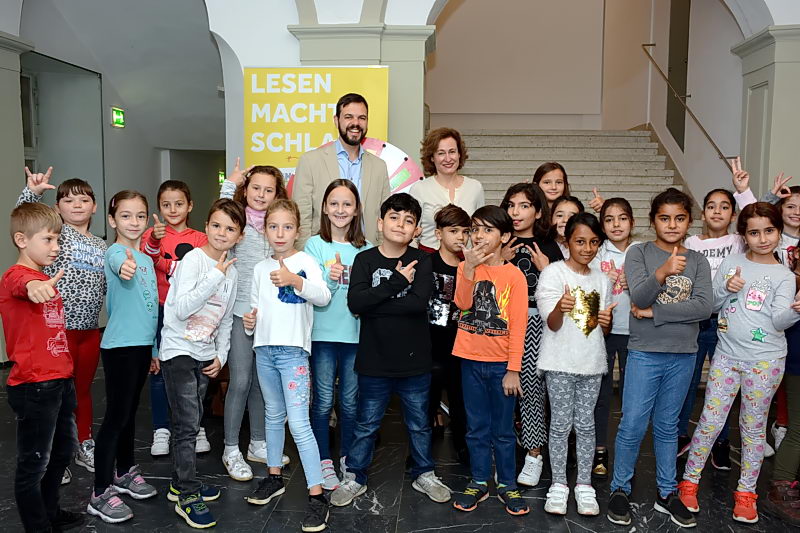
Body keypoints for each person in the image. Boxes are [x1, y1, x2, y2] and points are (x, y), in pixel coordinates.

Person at [677, 202, 800, 524]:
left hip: (765, 362)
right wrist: (725, 289)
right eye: (755, 233)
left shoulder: (784, 276)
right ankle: (689, 482)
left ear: (778, 232)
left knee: (753, 428)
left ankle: (746, 493)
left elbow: (779, 321)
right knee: (710, 421)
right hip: (727, 357)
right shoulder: (732, 263)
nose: (763, 239)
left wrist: (795, 311)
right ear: (744, 235)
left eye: (769, 231)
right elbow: (711, 305)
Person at [330, 193, 451, 508]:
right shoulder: (365, 260)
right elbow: (356, 303)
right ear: (380, 223)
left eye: (408, 220)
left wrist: (375, 302)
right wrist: (396, 282)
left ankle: (424, 473)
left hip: (415, 361)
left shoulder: (423, 260)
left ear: (416, 230)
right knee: (366, 424)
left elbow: (417, 304)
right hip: (375, 360)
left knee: (419, 424)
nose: (400, 224)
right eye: (394, 218)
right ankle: (355, 476)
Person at [606, 187, 712, 529]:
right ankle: (620, 488)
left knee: (667, 426)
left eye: (679, 218)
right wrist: (663, 272)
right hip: (645, 353)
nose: (672, 224)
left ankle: (667, 492)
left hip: (683, 354)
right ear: (653, 221)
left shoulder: (698, 261)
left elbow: (703, 307)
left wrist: (655, 313)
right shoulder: (639, 252)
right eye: (664, 218)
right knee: (633, 423)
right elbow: (638, 295)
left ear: (689, 222)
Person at [242, 199, 332, 533]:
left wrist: (295, 280)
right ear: (265, 230)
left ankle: (317, 495)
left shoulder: (305, 261)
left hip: (293, 354)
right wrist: (250, 323)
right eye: (273, 226)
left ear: (297, 230)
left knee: (299, 424)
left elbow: (323, 296)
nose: (280, 233)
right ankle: (273, 477)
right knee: (272, 416)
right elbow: (255, 308)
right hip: (264, 351)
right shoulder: (259, 268)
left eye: (287, 227)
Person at [159, 199, 244, 528]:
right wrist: (213, 276)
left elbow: (225, 320)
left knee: (192, 422)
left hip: (204, 354)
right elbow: (181, 309)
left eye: (230, 228)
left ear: (239, 235)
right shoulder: (193, 260)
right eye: (217, 225)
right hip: (178, 350)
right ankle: (187, 493)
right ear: (206, 226)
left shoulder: (232, 272)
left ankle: (180, 481)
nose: (222, 233)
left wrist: (220, 355)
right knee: (186, 425)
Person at [1, 202, 85, 533]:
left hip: (60, 380)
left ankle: (50, 512)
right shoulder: (17, 276)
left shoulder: (42, 277)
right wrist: (34, 287)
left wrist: (41, 284)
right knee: (33, 464)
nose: (56, 246)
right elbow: (22, 285)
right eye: (48, 239)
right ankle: (38, 527)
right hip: (34, 386)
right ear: (22, 240)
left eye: (58, 239)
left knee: (62, 452)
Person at [17, 167, 106, 478]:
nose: (77, 205)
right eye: (68, 200)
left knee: (82, 391)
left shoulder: (102, 246)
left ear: (95, 206)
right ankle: (54, 456)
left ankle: (83, 444)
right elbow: (25, 217)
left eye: (84, 200)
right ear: (57, 208)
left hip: (89, 331)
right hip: (58, 331)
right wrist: (32, 192)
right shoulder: (58, 235)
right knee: (54, 395)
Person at [451, 205, 529, 516]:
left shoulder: (514, 276)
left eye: (487, 229)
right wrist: (469, 269)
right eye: (475, 229)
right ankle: (480, 480)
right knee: (476, 427)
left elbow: (519, 325)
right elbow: (462, 303)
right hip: (469, 360)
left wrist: (513, 369)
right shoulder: (465, 266)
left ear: (505, 236)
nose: (479, 235)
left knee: (503, 430)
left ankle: (507, 483)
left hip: (501, 366)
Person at [88, 191, 160, 524]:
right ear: (112, 220)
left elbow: (150, 308)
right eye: (126, 216)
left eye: (140, 216)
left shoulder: (146, 259)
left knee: (130, 413)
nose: (134, 222)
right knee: (116, 417)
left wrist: (154, 349)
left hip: (142, 346)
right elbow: (119, 263)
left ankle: (125, 471)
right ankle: (100, 491)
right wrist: (124, 266)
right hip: (120, 347)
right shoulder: (116, 253)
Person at [537, 212, 614, 516]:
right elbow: (552, 324)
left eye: (594, 242)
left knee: (585, 425)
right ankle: (558, 484)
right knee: (559, 425)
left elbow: (601, 331)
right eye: (580, 241)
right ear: (567, 241)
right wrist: (560, 306)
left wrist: (606, 323)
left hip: (591, 364)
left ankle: (584, 484)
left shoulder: (602, 280)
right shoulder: (553, 273)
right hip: (559, 363)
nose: (587, 248)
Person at [219, 161, 289, 480]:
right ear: (245, 190)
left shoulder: (277, 226)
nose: (261, 194)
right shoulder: (238, 221)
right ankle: (231, 448)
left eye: (268, 190)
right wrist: (229, 185)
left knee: (263, 383)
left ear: (277, 194)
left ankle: (258, 443)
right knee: (241, 381)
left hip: (268, 318)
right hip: (239, 314)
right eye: (255, 188)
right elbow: (220, 216)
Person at [304, 179, 373, 490]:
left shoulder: (366, 249)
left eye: (347, 204)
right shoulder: (314, 245)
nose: (340, 210)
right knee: (322, 402)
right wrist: (330, 279)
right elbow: (313, 291)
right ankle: (323, 461)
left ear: (357, 209)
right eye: (334, 203)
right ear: (324, 208)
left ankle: (347, 457)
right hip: (322, 334)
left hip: (355, 337)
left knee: (349, 402)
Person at [677, 187, 745, 469]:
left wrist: (744, 192)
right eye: (711, 206)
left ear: (733, 214)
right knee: (688, 381)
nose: (717, 211)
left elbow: (757, 215)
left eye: (725, 206)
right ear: (702, 213)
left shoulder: (739, 241)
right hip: (696, 320)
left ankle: (721, 441)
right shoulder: (692, 242)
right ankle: (681, 434)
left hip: (728, 321)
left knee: (723, 386)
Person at [499, 183, 562, 487]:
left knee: (530, 388)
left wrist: (547, 269)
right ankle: (503, 451)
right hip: (500, 325)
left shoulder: (549, 246)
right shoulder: (500, 241)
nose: (516, 212)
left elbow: (563, 293)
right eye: (511, 205)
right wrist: (500, 260)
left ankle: (534, 454)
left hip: (535, 324)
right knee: (500, 389)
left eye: (524, 206)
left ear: (538, 212)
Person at [140, 180, 209, 457]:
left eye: (179, 204)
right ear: (159, 207)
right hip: (160, 310)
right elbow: (147, 257)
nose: (172, 209)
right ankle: (161, 428)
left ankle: (197, 425)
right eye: (166, 204)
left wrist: (165, 263)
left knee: (196, 370)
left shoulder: (201, 239)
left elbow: (201, 271)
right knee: (159, 370)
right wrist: (155, 241)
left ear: (190, 206)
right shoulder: (152, 235)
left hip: (194, 312)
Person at [293, 93, 391, 247]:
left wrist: (381, 254)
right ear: (336, 120)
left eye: (362, 118)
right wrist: (306, 256)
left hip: (366, 253)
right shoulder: (310, 161)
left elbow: (383, 218)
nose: (355, 123)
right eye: (348, 117)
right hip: (322, 254)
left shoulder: (379, 167)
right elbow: (301, 218)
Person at [592, 197, 640, 478]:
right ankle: (600, 450)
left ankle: (627, 451)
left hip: (636, 334)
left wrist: (633, 283)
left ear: (632, 222)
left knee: (632, 397)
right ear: (602, 226)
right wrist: (604, 281)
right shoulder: (597, 253)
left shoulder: (641, 251)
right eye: (609, 220)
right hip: (604, 333)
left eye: (622, 218)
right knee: (601, 395)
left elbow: (653, 287)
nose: (616, 225)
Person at [425, 204, 471, 463]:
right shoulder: (427, 263)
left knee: (460, 399)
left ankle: (463, 449)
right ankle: (420, 455)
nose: (460, 237)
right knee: (427, 401)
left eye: (465, 231)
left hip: (460, 343)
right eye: (453, 231)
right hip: (431, 343)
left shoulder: (468, 267)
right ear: (439, 233)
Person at [765, 243, 800, 527]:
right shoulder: (789, 281)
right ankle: (781, 488)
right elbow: (779, 321)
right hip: (797, 362)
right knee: (798, 427)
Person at [409, 127, 485, 252]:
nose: (448, 158)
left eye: (452, 151)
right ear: (432, 157)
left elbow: (480, 230)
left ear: (459, 154)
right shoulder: (419, 189)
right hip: (428, 257)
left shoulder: (475, 187)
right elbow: (411, 233)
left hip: (466, 258)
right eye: (441, 153)